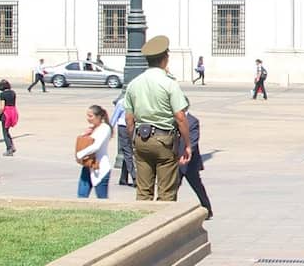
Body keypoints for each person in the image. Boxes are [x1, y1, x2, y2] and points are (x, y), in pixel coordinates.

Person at [128, 36, 193, 201]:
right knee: (166, 193)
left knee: (143, 192)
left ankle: (143, 225)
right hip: (164, 139)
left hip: (141, 138)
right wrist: (187, 144)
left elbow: (129, 119)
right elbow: (180, 116)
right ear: (165, 59)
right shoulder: (169, 83)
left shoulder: (134, 83)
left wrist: (133, 140)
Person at [178, 108, 214, 218]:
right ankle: (167, 210)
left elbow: (193, 141)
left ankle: (207, 209)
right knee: (172, 187)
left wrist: (185, 156)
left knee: (197, 186)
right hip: (177, 161)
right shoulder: (174, 120)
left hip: (190, 163)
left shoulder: (193, 121)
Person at [75, 105, 115, 199]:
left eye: (90, 116)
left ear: (99, 116)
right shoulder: (93, 128)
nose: (88, 118)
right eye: (87, 116)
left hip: (100, 167)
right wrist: (84, 134)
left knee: (102, 198)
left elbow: (96, 146)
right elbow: (83, 142)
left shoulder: (105, 128)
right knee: (81, 196)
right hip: (88, 165)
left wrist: (81, 154)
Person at [0, 80, 19, 156]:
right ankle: (12, 146)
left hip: (6, 113)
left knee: (5, 132)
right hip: (13, 111)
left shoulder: (2, 94)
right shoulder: (13, 93)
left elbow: (2, 107)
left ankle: (9, 148)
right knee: (7, 131)